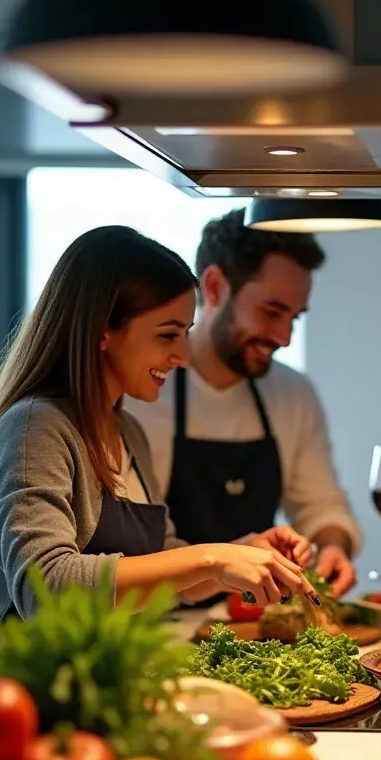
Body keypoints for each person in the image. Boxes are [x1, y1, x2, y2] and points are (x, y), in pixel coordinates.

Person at [0, 226, 318, 638]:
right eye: (168, 335)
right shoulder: (36, 429)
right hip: (15, 698)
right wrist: (211, 558)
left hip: (98, 689)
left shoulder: (127, 431)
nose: (184, 356)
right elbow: (45, 589)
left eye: (186, 333)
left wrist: (240, 553)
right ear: (104, 328)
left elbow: (162, 572)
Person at [127, 209, 361, 598]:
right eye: (271, 312)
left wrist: (331, 545)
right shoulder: (143, 393)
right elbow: (131, 553)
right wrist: (220, 561)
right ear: (216, 287)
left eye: (294, 318)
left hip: (255, 622)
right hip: (155, 620)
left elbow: (322, 506)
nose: (284, 337)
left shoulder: (292, 395)